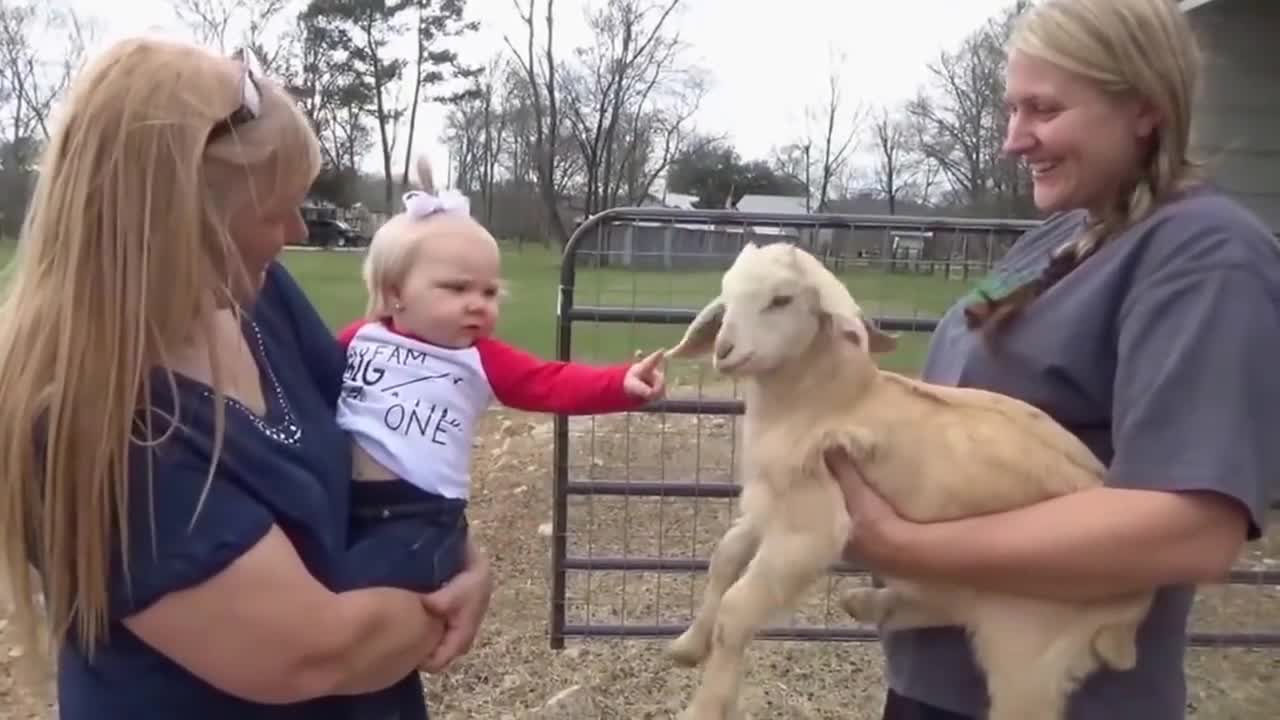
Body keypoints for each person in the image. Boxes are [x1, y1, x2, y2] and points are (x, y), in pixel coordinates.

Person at [0, 39, 492, 720]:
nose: (294, 230)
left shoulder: (253, 297)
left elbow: (372, 439)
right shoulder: (93, 422)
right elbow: (312, 653)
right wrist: (442, 591)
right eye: (272, 211)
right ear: (176, 220)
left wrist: (465, 555)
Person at [824, 0, 1280, 718]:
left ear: (1144, 108)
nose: (1014, 139)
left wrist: (907, 547)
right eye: (1011, 109)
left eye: (1043, 109)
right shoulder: (1060, 238)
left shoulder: (1207, 257)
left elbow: (1190, 529)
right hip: (942, 688)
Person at [332, 155, 666, 597]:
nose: (479, 303)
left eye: (489, 292)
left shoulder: (478, 358)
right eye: (457, 288)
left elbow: (549, 381)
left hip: (422, 515)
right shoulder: (359, 339)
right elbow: (305, 384)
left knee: (369, 597)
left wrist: (620, 384)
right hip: (342, 503)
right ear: (396, 293)